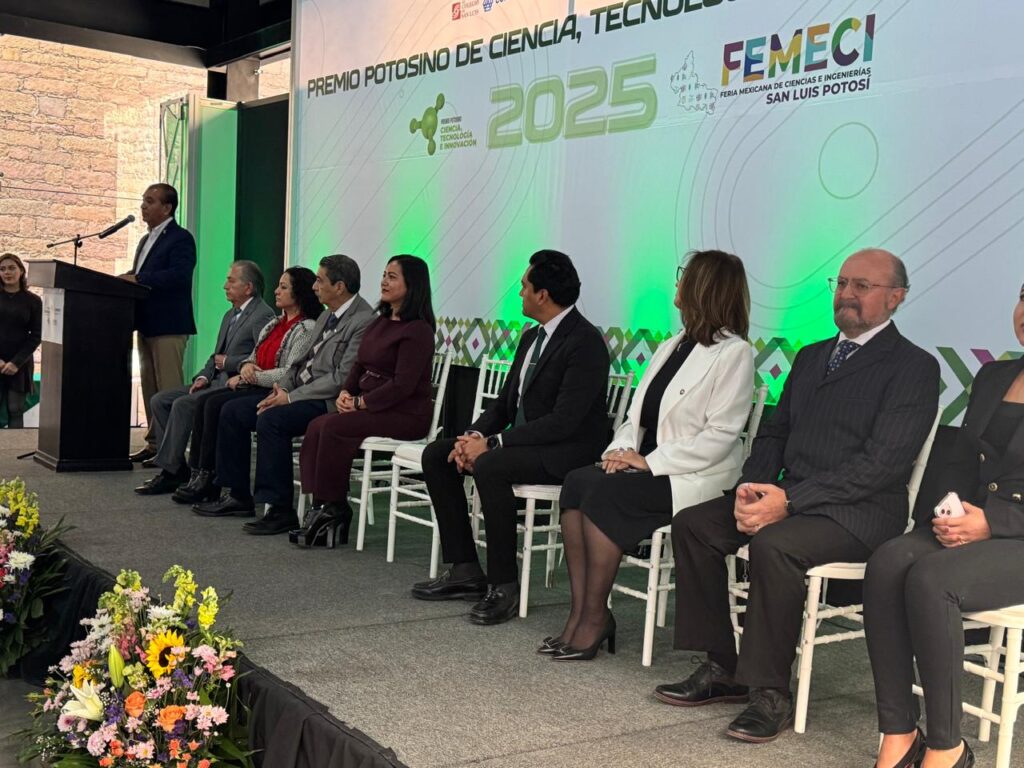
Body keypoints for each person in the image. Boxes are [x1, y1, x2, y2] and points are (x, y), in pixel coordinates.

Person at [653, 248, 940, 744]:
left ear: (896, 297)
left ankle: (770, 693)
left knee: (775, 545)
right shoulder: (811, 356)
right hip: (790, 498)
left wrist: (787, 502)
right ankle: (723, 666)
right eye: (841, 283)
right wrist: (751, 489)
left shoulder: (914, 366)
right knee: (694, 525)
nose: (846, 294)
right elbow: (774, 433)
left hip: (861, 512)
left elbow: (882, 465)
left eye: (862, 286)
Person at [543, 250, 755, 661]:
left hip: (692, 474)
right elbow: (636, 416)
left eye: (684, 276)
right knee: (577, 482)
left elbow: (721, 437)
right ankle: (581, 613)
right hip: (647, 466)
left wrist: (649, 462)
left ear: (703, 287)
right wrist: (620, 451)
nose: (677, 282)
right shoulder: (673, 344)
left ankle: (594, 618)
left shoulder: (735, 353)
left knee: (605, 495)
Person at [863, 283, 1024, 768]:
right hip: (976, 523)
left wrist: (993, 522)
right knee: (889, 560)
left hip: (1015, 535)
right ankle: (899, 732)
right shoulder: (994, 374)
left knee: (933, 580)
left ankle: (946, 746)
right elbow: (961, 459)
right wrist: (948, 513)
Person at [411, 250, 611, 626]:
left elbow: (564, 422)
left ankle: (504, 584)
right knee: (438, 454)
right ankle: (465, 569)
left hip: (566, 451)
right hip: (528, 443)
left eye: (524, 286)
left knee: (491, 465)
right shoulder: (532, 337)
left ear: (543, 295)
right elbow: (505, 404)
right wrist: (472, 436)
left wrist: (493, 444)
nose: (519, 293)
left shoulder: (585, 342)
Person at [193, 254, 375, 537]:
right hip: (300, 391)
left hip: (328, 400)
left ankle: (280, 509)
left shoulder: (363, 320)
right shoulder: (326, 315)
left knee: (272, 419)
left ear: (339, 287)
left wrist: (290, 397)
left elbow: (340, 378)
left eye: (320, 280)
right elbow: (299, 364)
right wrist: (284, 388)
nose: (314, 286)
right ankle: (237, 495)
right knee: (232, 412)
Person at [295, 255, 437, 548]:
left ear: (412, 285)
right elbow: (359, 365)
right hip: (371, 405)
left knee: (333, 428)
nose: (383, 281)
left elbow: (402, 386)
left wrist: (360, 403)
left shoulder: (418, 330)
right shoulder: (380, 321)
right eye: (384, 274)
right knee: (318, 425)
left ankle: (334, 508)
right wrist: (346, 393)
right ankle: (322, 504)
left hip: (405, 413)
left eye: (392, 277)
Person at [171, 266, 322, 505]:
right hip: (255, 385)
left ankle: (235, 490)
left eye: (283, 287)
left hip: (275, 390)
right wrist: (246, 367)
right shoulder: (274, 324)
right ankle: (202, 474)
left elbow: (289, 372)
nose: (276, 291)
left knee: (229, 410)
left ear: (299, 294)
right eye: (278, 286)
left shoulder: (306, 328)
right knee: (207, 402)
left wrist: (249, 377)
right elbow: (251, 357)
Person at [134, 261, 275, 495]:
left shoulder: (263, 315)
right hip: (214, 380)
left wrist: (227, 363)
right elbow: (215, 355)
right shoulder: (230, 314)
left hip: (235, 385)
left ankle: (170, 473)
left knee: (182, 405)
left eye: (231, 281)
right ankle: (177, 466)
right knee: (160, 400)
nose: (224, 286)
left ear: (248, 287)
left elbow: (262, 358)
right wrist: (202, 376)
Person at [119, 183, 197, 463]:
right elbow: (141, 273)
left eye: (150, 201)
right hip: (146, 323)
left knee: (168, 390)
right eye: (143, 200)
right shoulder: (145, 239)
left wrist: (138, 279)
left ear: (167, 208)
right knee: (150, 389)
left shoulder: (181, 238)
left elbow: (179, 275)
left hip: (168, 325)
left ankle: (172, 453)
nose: (143, 206)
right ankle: (154, 444)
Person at [0, 253, 42, 429]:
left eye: (11, 268)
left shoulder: (33, 301)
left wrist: (15, 363)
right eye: (2, 269)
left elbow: (37, 335)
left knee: (15, 409)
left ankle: (13, 446)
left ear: (21, 271)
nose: (7, 272)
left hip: (20, 363)